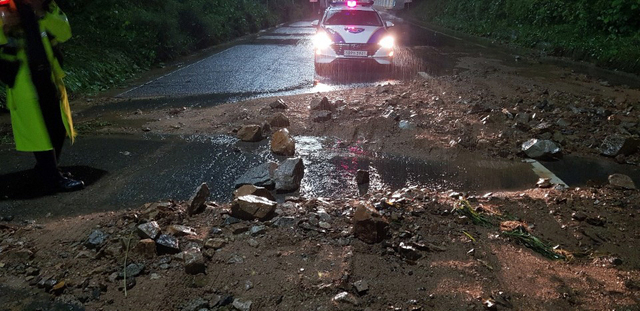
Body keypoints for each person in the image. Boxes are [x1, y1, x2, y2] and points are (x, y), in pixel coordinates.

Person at [0, 0, 84, 192]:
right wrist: (6, 26)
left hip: (47, 74)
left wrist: (43, 13)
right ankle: (51, 177)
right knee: (39, 131)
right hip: (22, 78)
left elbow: (64, 32)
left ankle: (46, 170)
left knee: (57, 127)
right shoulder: (5, 6)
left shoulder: (46, 5)